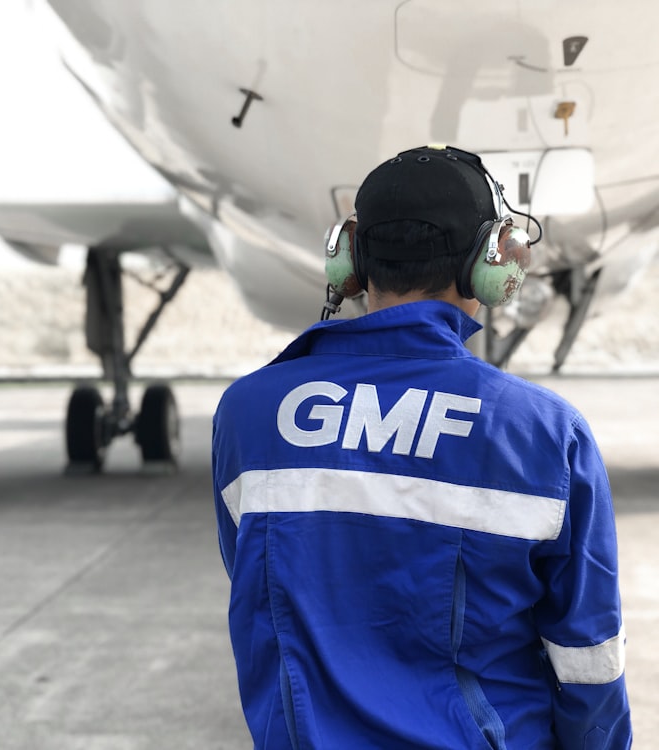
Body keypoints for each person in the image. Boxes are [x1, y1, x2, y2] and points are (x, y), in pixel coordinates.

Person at [211, 145, 632, 749]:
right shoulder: (543, 431)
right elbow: (588, 659)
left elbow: (252, 577)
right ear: (491, 264)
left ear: (350, 258)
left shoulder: (249, 413)